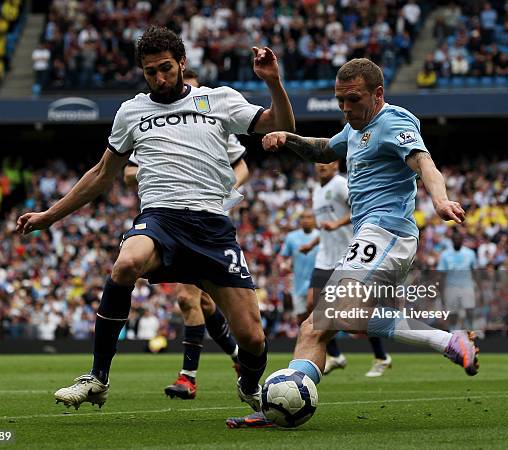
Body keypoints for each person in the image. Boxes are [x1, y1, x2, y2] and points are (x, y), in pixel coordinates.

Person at [17, 26, 295, 411]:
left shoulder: (217, 100)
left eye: (166, 68)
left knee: (252, 338)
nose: (160, 78)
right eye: (151, 72)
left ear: (182, 62)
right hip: (161, 219)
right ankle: (98, 377)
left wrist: (274, 83)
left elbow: (281, 126)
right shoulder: (131, 112)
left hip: (212, 227)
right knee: (127, 262)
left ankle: (249, 384)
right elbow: (101, 175)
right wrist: (50, 216)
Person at [227, 58, 477, 428]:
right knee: (314, 326)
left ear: (377, 94)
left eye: (353, 99)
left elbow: (425, 164)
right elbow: (325, 149)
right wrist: (288, 138)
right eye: (340, 100)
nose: (345, 108)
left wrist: (439, 199)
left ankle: (447, 341)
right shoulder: (354, 129)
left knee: (334, 316)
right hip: (370, 235)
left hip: (388, 233)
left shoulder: (394, 121)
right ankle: (279, 406)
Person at [123, 69, 249, 400]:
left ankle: (190, 376)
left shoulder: (211, 117)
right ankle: (231, 361)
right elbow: (126, 172)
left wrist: (222, 190)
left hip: (207, 219)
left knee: (191, 298)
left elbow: (242, 165)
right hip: (169, 214)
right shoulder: (149, 122)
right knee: (199, 300)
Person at [301, 161, 392, 377]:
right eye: (319, 161)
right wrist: (312, 244)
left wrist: (338, 224)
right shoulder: (317, 190)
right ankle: (336, 356)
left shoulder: (342, 184)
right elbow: (325, 225)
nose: (322, 165)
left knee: (356, 311)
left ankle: (381, 357)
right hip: (325, 257)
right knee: (312, 304)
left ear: (336, 164)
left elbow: (361, 209)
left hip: (348, 255)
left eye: (328, 161)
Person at [280, 210, 320, 325]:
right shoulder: (291, 237)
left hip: (317, 284)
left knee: (318, 320)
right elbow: (283, 257)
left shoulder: (320, 236)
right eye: (303, 217)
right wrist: (284, 265)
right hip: (298, 285)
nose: (306, 220)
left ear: (314, 220)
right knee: (301, 320)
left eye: (309, 217)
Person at [437, 232, 477, 330]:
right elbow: (442, 274)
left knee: (470, 310)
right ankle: (453, 333)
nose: (457, 241)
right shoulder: (445, 255)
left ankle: (470, 332)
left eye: (459, 239)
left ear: (462, 240)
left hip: (467, 286)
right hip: (451, 287)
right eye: (455, 239)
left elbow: (474, 271)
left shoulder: (470, 253)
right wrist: (441, 292)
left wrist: (479, 287)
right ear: (452, 241)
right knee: (453, 313)